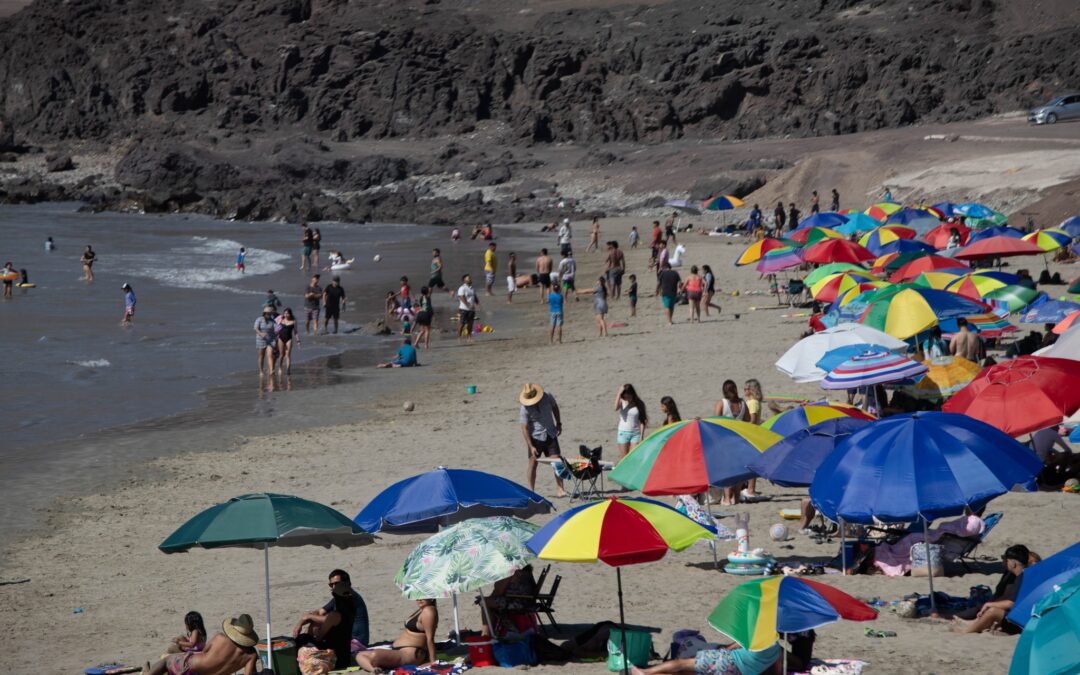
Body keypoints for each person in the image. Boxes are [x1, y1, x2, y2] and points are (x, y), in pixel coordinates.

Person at [952, 545, 1035, 634]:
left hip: (1020, 622)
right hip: (1023, 616)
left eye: (1006, 560)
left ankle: (967, 631)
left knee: (992, 611)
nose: (1005, 562)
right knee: (992, 609)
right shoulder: (1027, 575)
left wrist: (989, 604)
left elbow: (1011, 603)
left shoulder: (1021, 578)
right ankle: (972, 624)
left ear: (1013, 563)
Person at [144, 614, 260, 675]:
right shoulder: (251, 655)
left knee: (167, 661)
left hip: (192, 667)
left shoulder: (220, 638)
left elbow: (205, 651)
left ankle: (147, 674)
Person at [294, 569, 359, 670]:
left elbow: (319, 637)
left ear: (346, 583)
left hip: (337, 658)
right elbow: (320, 613)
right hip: (344, 655)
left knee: (301, 640)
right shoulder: (350, 602)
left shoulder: (336, 614)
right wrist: (304, 621)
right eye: (331, 585)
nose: (333, 587)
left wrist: (308, 620)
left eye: (336, 584)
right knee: (307, 636)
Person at [354, 599, 438, 672]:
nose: (419, 599)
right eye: (417, 596)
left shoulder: (429, 611)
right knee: (360, 655)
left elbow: (430, 638)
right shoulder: (422, 609)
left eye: (423, 597)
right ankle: (374, 670)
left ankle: (375, 669)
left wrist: (432, 661)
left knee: (374, 656)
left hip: (409, 654)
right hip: (402, 651)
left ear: (431, 597)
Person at [519, 383, 566, 496]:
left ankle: (560, 489)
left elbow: (555, 407)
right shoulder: (524, 407)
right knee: (532, 463)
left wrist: (558, 423)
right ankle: (531, 491)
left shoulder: (547, 396)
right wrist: (531, 446)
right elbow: (524, 428)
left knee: (556, 462)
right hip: (535, 437)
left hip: (550, 433)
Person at [629, 641, 780, 675]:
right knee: (689, 672)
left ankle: (646, 672)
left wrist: (724, 649)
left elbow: (736, 644)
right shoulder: (776, 649)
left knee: (683, 663)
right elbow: (778, 670)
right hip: (738, 672)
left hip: (727, 660)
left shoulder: (758, 637)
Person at [479, 565, 539, 637]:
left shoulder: (511, 571)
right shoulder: (525, 570)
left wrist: (484, 599)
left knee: (484, 602)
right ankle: (489, 632)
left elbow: (498, 591)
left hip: (517, 603)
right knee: (488, 601)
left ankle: (486, 634)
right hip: (528, 602)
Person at [615, 384, 648, 459]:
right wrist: (619, 393)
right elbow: (615, 408)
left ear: (632, 394)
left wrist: (641, 436)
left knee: (634, 456)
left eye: (629, 397)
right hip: (623, 433)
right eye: (625, 397)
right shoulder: (622, 401)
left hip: (635, 434)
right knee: (624, 458)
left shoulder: (639, 403)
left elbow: (642, 421)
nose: (627, 399)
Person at [255, 305, 278, 376]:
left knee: (270, 355)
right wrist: (260, 333)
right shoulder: (259, 319)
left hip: (270, 340)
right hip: (261, 340)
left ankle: (271, 370)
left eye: (270, 313)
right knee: (261, 356)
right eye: (268, 313)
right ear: (264, 313)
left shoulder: (273, 321)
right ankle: (261, 371)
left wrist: (278, 332)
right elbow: (256, 328)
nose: (269, 315)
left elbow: (277, 329)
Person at [276, 308, 300, 374]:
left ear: (290, 314)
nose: (286, 315)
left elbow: (295, 332)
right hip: (280, 338)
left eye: (287, 313)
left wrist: (298, 341)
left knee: (288, 355)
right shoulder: (281, 320)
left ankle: (288, 370)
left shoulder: (293, 321)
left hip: (289, 339)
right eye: (285, 313)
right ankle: (280, 368)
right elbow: (276, 329)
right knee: (281, 355)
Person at [457, 274, 479, 344]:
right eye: (468, 278)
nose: (470, 279)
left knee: (470, 324)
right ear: (464, 280)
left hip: (471, 309)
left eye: (470, 278)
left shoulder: (472, 288)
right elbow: (461, 297)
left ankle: (469, 337)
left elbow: (474, 296)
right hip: (463, 309)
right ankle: (459, 337)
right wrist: (467, 305)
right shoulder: (462, 288)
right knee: (462, 323)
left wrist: (477, 303)